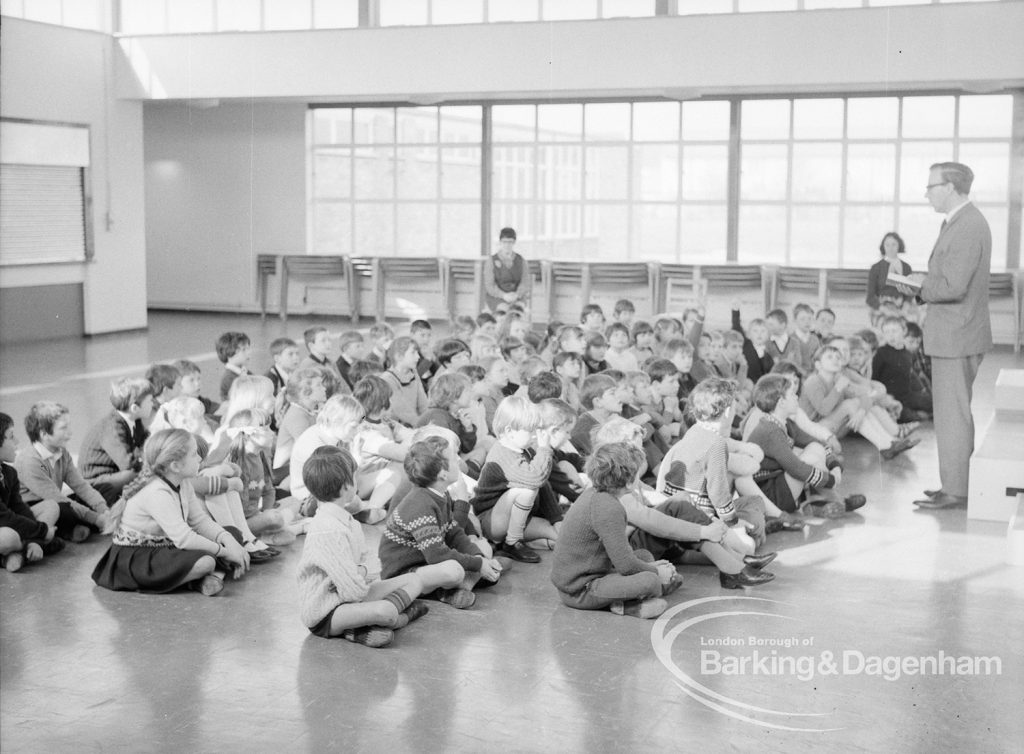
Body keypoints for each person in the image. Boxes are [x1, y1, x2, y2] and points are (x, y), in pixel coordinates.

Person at [898, 162, 992, 510]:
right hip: (955, 333)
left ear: (950, 187)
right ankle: (952, 483)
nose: (927, 192)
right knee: (951, 414)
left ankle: (958, 490)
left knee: (953, 415)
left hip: (957, 335)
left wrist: (920, 286)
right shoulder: (958, 222)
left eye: (931, 186)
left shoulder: (967, 224)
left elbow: (953, 285)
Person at [296, 446, 446, 647]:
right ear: (345, 487)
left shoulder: (348, 520)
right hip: (327, 612)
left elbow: (374, 565)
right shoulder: (327, 530)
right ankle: (388, 621)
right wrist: (361, 573)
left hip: (352, 595)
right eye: (355, 477)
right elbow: (354, 592)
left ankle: (370, 626)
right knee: (387, 610)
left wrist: (359, 571)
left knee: (414, 580)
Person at [91, 429, 250, 595]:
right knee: (206, 562)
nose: (200, 459)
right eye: (194, 454)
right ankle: (200, 579)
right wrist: (226, 552)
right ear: (175, 466)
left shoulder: (184, 482)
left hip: (168, 545)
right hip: (140, 558)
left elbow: (200, 521)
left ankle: (208, 577)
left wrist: (229, 541)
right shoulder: (156, 492)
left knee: (234, 533)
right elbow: (185, 539)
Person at [484, 227, 532, 313]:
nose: (507, 245)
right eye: (504, 242)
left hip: (517, 297)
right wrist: (503, 295)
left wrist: (517, 294)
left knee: (517, 310)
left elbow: (525, 282)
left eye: (510, 242)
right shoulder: (491, 261)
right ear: (500, 242)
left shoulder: (521, 260)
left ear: (514, 242)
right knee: (503, 310)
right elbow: (489, 285)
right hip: (497, 297)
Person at [866, 232, 913, 314]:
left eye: (894, 244)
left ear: (899, 245)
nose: (890, 248)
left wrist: (905, 308)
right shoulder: (876, 268)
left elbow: (909, 293)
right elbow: (870, 297)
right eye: (887, 245)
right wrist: (884, 310)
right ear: (883, 247)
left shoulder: (906, 268)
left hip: (901, 310)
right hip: (880, 311)